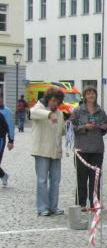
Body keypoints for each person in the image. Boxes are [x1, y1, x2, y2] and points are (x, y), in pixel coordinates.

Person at [71, 86, 107, 211]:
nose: (91, 95)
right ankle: (81, 203)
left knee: (95, 179)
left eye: (93, 93)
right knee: (81, 178)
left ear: (96, 95)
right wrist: (85, 127)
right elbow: (71, 128)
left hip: (97, 149)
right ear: (84, 96)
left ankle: (94, 203)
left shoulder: (101, 111)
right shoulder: (77, 111)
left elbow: (105, 129)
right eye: (88, 93)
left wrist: (104, 127)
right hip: (81, 149)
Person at [30, 88, 66, 216]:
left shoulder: (60, 113)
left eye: (57, 101)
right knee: (42, 180)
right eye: (53, 100)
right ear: (48, 99)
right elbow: (33, 113)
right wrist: (49, 115)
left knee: (56, 180)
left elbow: (61, 131)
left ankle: (53, 207)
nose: (55, 103)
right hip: (42, 151)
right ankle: (42, 208)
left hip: (56, 151)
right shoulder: (39, 107)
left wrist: (68, 127)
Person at [0, 95, 13, 187]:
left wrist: (11, 140)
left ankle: (3, 176)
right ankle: (3, 175)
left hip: (0, 139)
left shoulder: (6, 111)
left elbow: (10, 126)